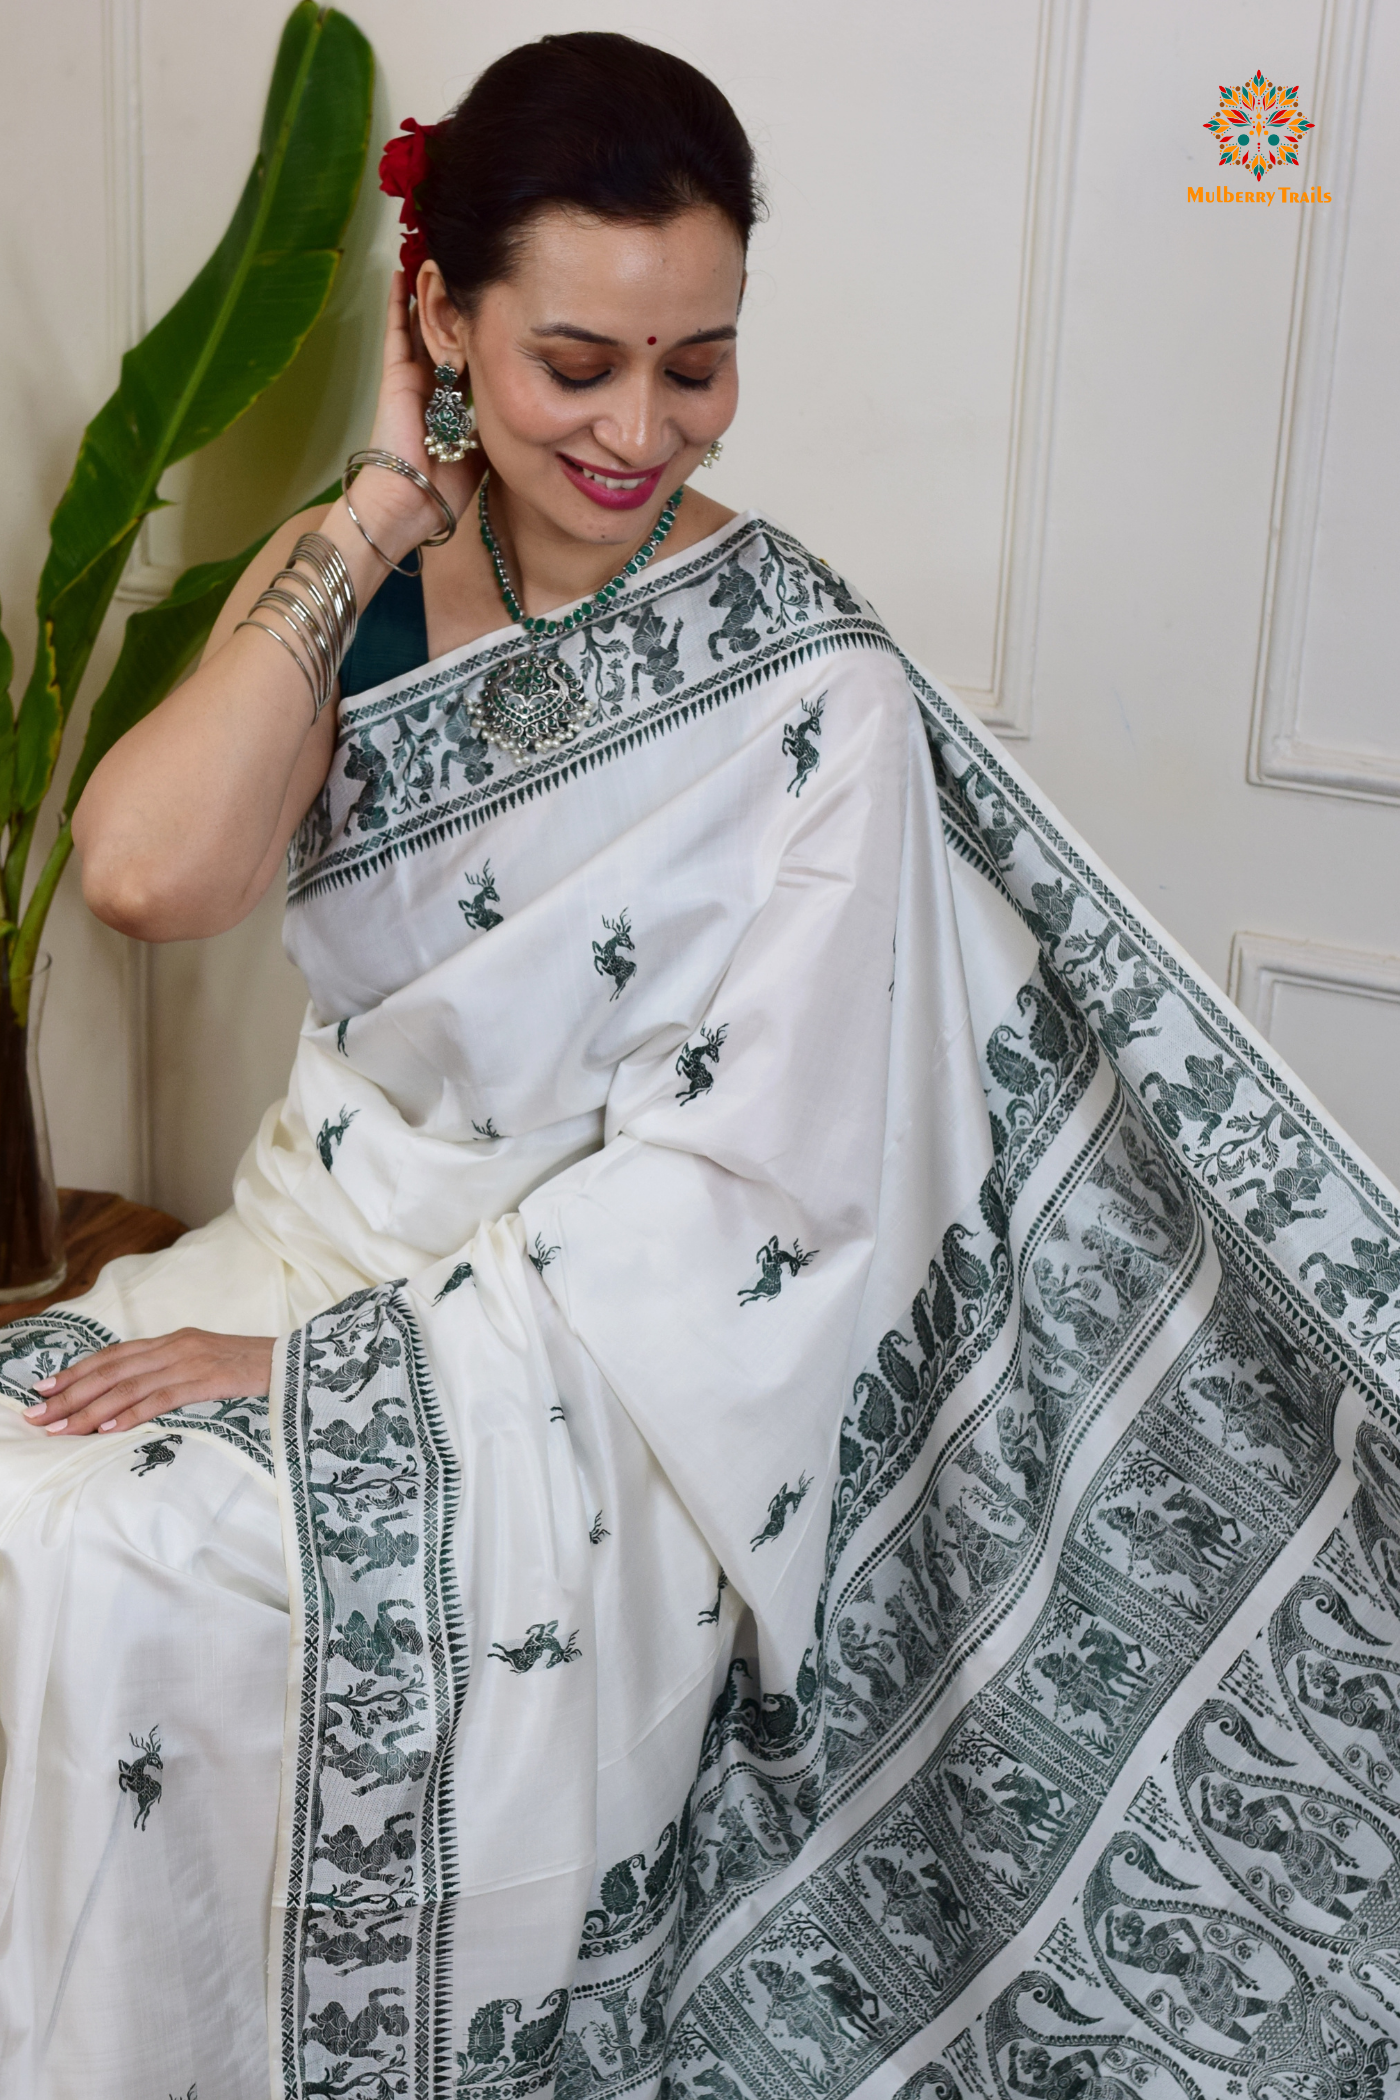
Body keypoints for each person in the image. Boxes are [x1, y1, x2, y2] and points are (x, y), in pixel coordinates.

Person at [1, 30, 1395, 2100]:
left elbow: (759, 1187)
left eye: (696, 363)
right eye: (575, 363)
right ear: (440, 319)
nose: (638, 429)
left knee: (130, 1574)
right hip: (308, 1244)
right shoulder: (359, 584)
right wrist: (381, 496)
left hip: (601, 1379)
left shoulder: (798, 677)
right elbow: (138, 870)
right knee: (27, 1517)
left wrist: (358, 1378)